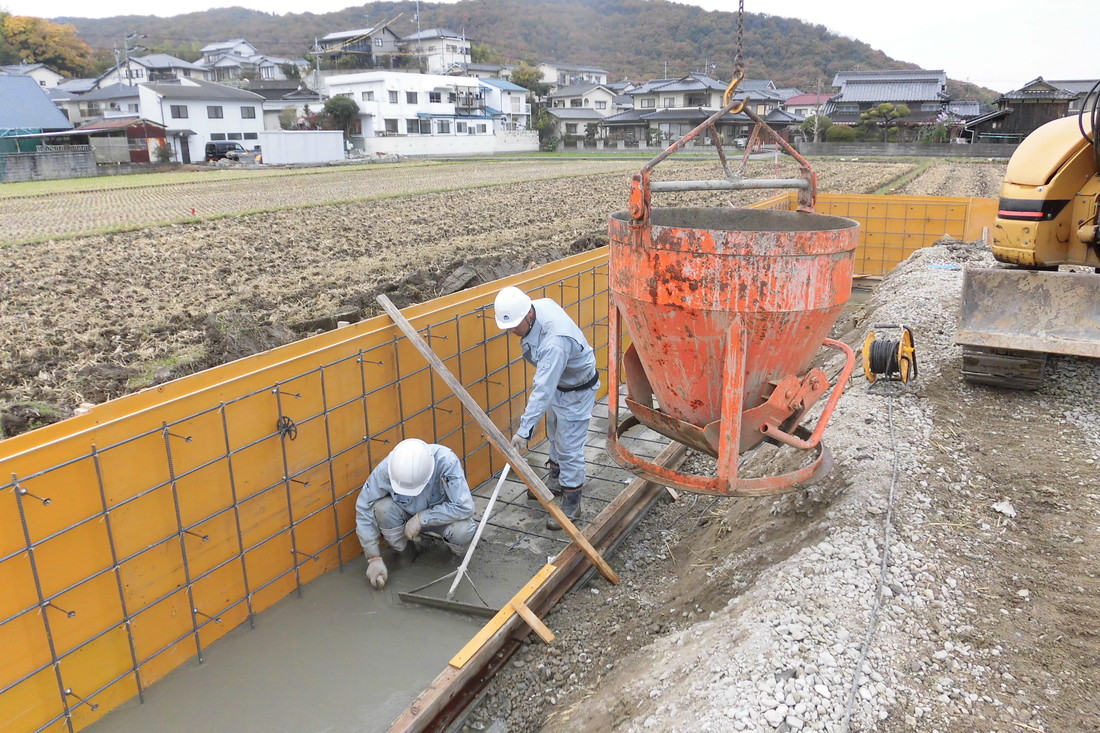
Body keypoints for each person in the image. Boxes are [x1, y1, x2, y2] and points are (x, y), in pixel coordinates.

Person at [493, 285, 599, 530]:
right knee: (554, 432)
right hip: (562, 384)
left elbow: (542, 390)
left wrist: (524, 431)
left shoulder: (555, 343)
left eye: (513, 326)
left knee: (569, 446)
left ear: (529, 316)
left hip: (577, 390)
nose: (510, 331)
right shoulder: (535, 307)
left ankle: (572, 502)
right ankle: (556, 479)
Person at [355, 438, 476, 590]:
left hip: (443, 520)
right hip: (405, 517)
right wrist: (373, 557)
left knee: (463, 531)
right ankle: (407, 554)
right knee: (382, 509)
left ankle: (455, 561)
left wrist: (422, 519)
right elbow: (364, 509)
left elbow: (464, 507)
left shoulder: (446, 462)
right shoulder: (386, 469)